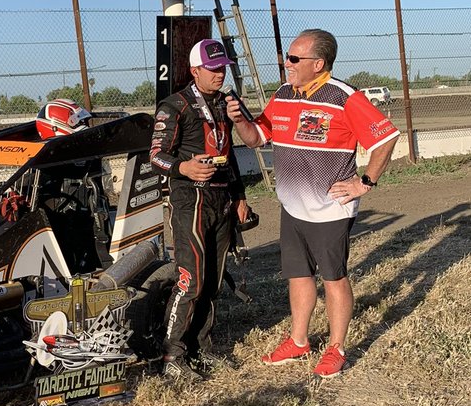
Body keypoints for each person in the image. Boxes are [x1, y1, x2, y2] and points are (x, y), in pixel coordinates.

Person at [226, 28, 399, 379]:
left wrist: (365, 182)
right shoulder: (283, 94)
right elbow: (256, 138)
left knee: (333, 278)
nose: (286, 64)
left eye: (294, 58)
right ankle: (299, 341)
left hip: (330, 209)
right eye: (286, 58)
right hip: (292, 208)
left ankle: (336, 348)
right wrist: (241, 120)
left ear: (318, 63)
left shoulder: (343, 96)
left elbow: (386, 137)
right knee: (299, 275)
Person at [150, 39, 251, 384]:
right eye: (213, 68)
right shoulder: (174, 106)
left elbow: (230, 153)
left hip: (222, 200)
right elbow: (156, 156)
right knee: (190, 281)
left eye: (223, 68)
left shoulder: (227, 103)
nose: (220, 74)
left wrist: (239, 196)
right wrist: (184, 168)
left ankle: (200, 348)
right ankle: (171, 356)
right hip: (190, 200)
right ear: (195, 71)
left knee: (213, 281)